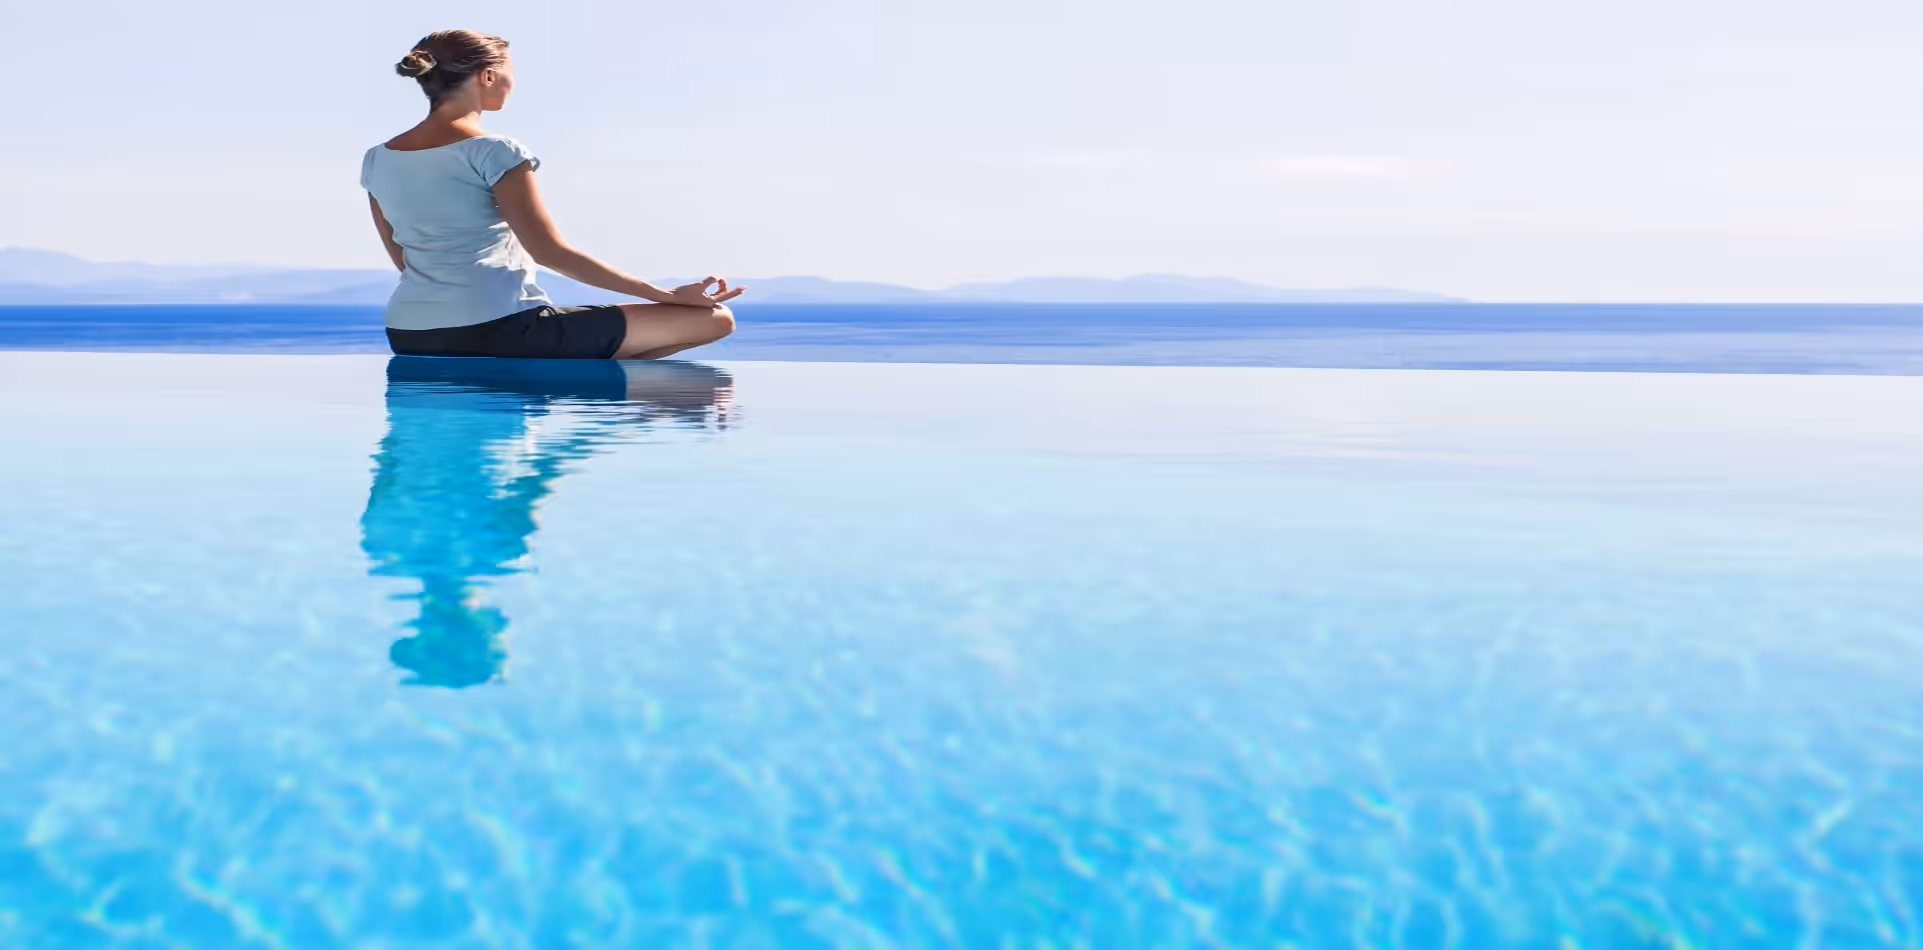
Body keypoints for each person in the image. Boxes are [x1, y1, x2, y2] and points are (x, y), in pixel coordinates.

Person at [360, 29, 743, 360]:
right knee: (714, 320)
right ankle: (600, 395)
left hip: (409, 333)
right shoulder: (495, 151)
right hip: (502, 329)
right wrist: (666, 295)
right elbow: (549, 252)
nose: (512, 83)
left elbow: (404, 261)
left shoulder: (378, 158)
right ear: (488, 76)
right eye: (510, 72)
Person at [361, 356, 735, 687]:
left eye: (497, 637)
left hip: (498, 390)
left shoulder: (498, 550)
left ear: (484, 625)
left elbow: (551, 464)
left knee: (712, 382)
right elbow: (391, 450)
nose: (504, 624)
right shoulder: (381, 545)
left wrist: (650, 414)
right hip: (423, 381)